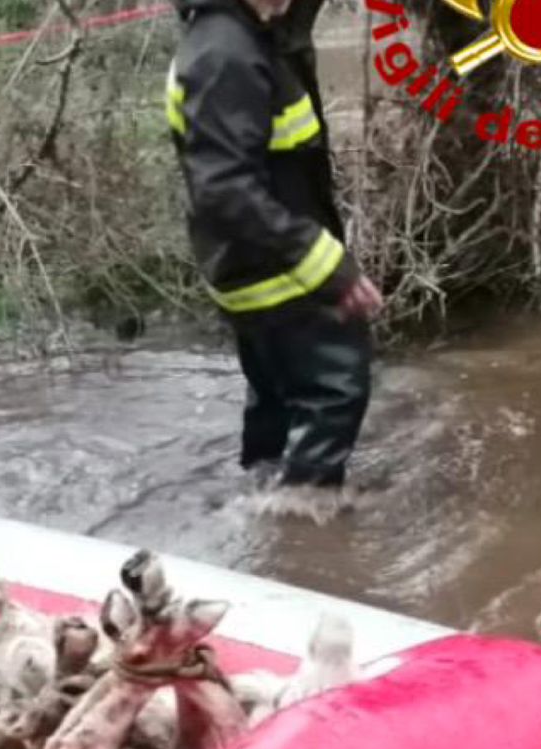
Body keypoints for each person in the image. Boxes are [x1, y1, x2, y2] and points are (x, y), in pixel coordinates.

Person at [167, 0, 382, 500]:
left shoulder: (240, 33)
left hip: (249, 263)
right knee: (336, 394)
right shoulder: (226, 54)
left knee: (279, 399)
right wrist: (331, 268)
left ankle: (262, 497)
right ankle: (304, 527)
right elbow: (224, 190)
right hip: (277, 268)